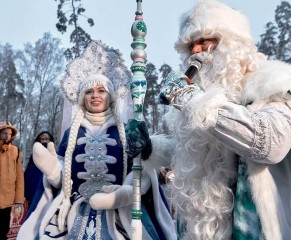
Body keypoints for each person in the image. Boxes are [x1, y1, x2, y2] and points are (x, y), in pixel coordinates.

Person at [159, 0, 291, 239]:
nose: (195, 50)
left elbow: (270, 143)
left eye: (204, 40)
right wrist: (152, 148)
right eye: (190, 45)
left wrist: (196, 102)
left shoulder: (270, 83)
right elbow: (196, 156)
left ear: (230, 43)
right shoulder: (203, 98)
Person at [17, 41, 176, 239]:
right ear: (83, 98)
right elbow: (64, 176)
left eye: (101, 91)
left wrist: (125, 193)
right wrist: (53, 169)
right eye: (89, 92)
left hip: (119, 213)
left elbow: (142, 170)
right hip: (77, 210)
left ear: (110, 97)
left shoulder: (126, 132)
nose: (95, 96)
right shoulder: (72, 133)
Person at [0, 121, 24, 240]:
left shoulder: (15, 151)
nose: (7, 136)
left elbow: (19, 177)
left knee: (3, 230)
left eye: (9, 134)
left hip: (7, 200)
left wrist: (19, 200)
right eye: (4, 133)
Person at [24, 132, 54, 212]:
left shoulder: (54, 156)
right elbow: (28, 176)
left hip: (47, 192)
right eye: (42, 139)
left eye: (46, 139)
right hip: (33, 191)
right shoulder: (34, 157)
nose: (44, 141)